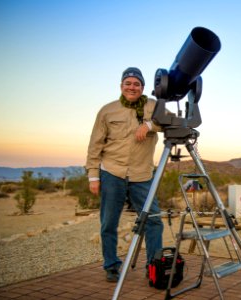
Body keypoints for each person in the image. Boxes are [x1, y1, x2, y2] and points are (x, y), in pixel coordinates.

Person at [86, 67, 164, 282]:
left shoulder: (153, 106)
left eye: (136, 84)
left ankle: (153, 266)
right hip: (112, 172)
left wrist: (149, 124)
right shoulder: (107, 111)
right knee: (109, 222)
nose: (132, 87)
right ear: (121, 86)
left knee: (154, 220)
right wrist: (93, 176)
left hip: (142, 174)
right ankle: (111, 265)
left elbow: (170, 121)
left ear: (142, 87)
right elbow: (95, 145)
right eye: (128, 83)